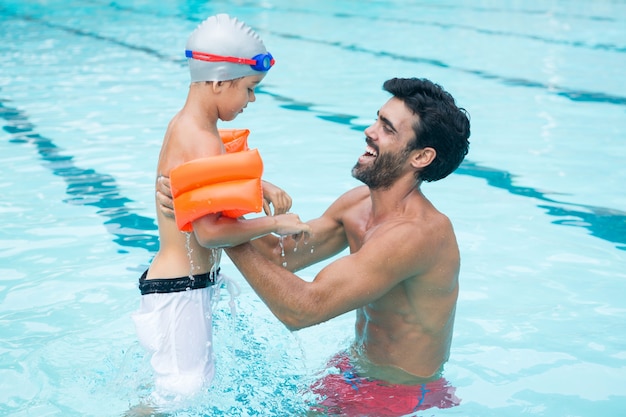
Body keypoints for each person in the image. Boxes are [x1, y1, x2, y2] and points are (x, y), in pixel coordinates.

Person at [157, 77, 471, 415]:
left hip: (398, 395)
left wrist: (209, 219)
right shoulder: (358, 205)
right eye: (377, 118)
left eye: (388, 129)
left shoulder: (416, 235)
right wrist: (210, 196)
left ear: (422, 156)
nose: (369, 131)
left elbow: (302, 309)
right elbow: (282, 255)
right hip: (353, 370)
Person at [131, 14, 310, 406]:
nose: (252, 99)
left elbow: (202, 185)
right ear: (218, 81)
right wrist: (275, 223)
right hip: (180, 288)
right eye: (249, 88)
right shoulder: (201, 139)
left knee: (174, 389)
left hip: (175, 284)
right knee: (181, 394)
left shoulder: (187, 125)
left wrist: (260, 185)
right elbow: (208, 232)